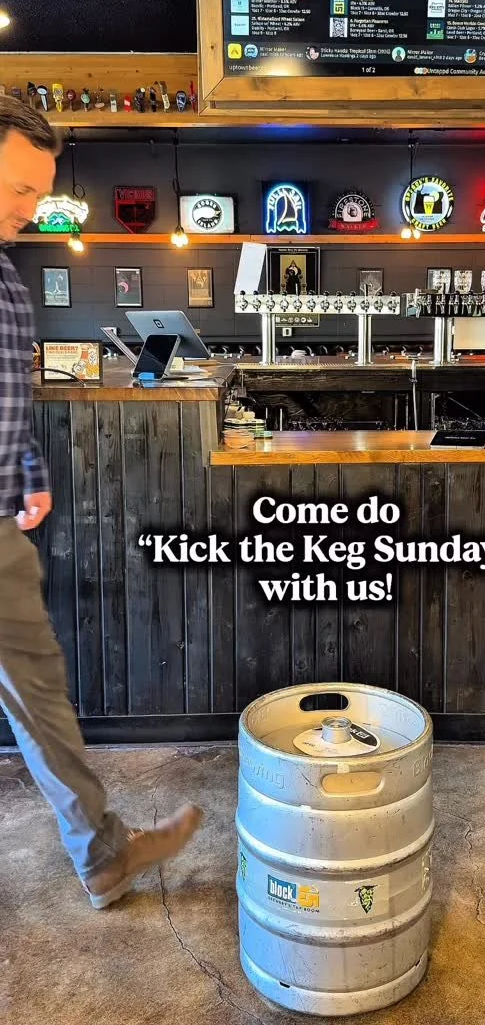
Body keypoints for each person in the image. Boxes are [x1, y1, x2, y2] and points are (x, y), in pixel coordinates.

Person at [0, 96, 202, 909]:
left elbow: (8, 395)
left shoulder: (6, 277)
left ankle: (102, 853)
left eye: (38, 191)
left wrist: (27, 467)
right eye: (19, 187)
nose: (31, 208)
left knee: (39, 694)